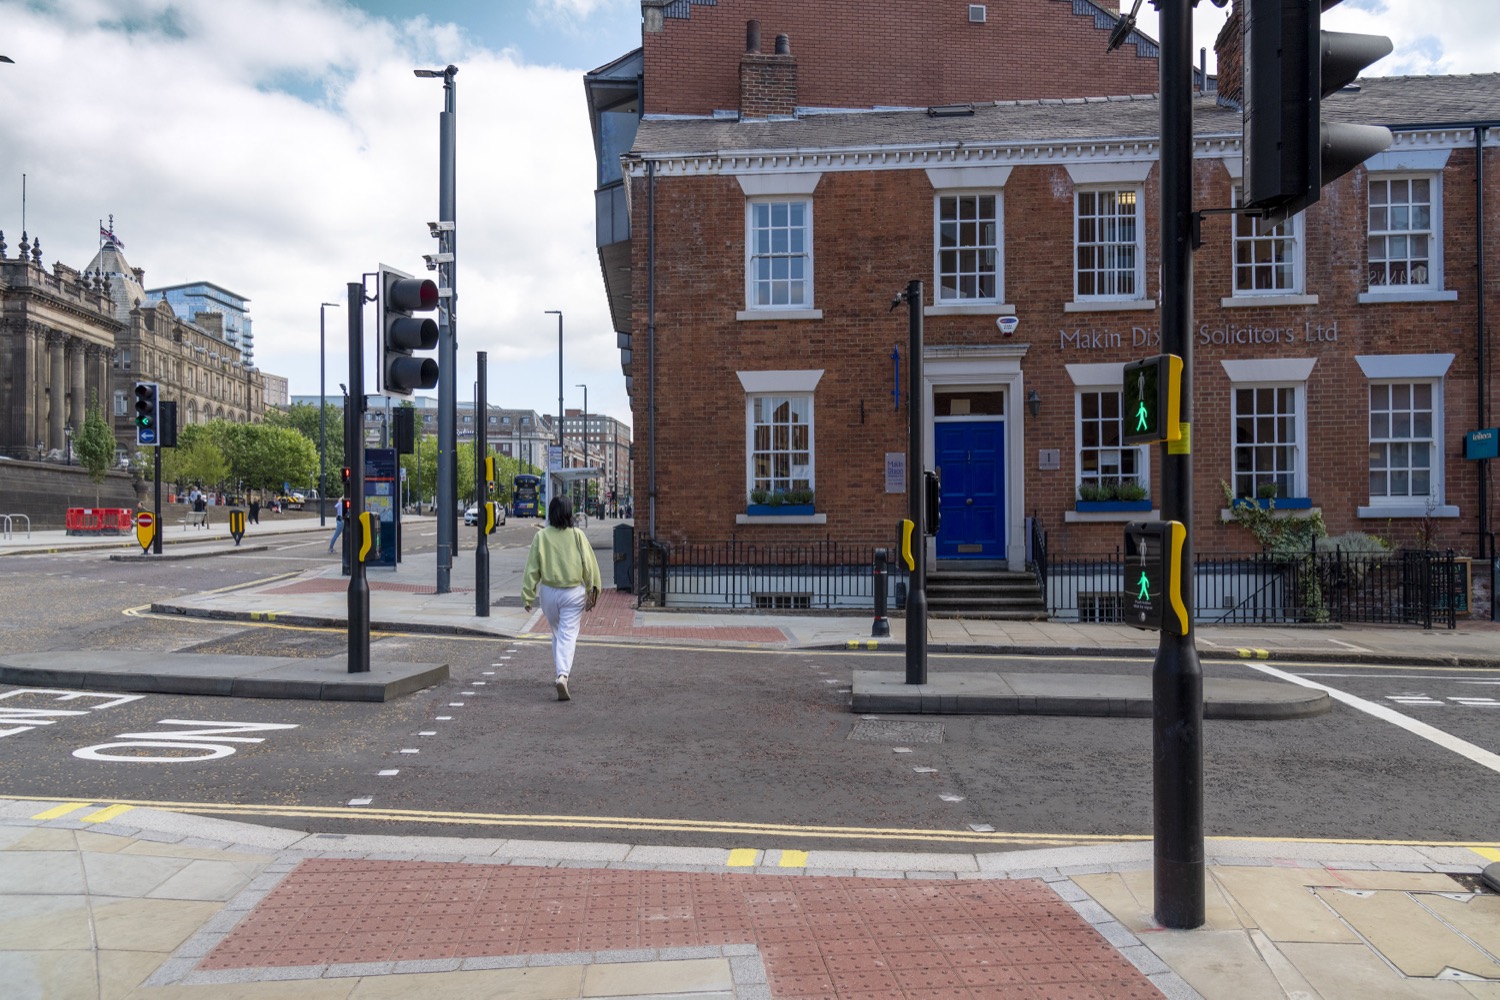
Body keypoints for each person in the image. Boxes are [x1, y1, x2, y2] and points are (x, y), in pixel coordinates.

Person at [521, 496, 602, 702]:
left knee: (557, 632)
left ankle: (560, 672)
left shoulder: (541, 536)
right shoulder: (577, 535)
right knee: (567, 634)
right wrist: (593, 589)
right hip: (572, 593)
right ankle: (562, 675)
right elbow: (589, 565)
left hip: (548, 592)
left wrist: (528, 595)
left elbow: (532, 568)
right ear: (569, 513)